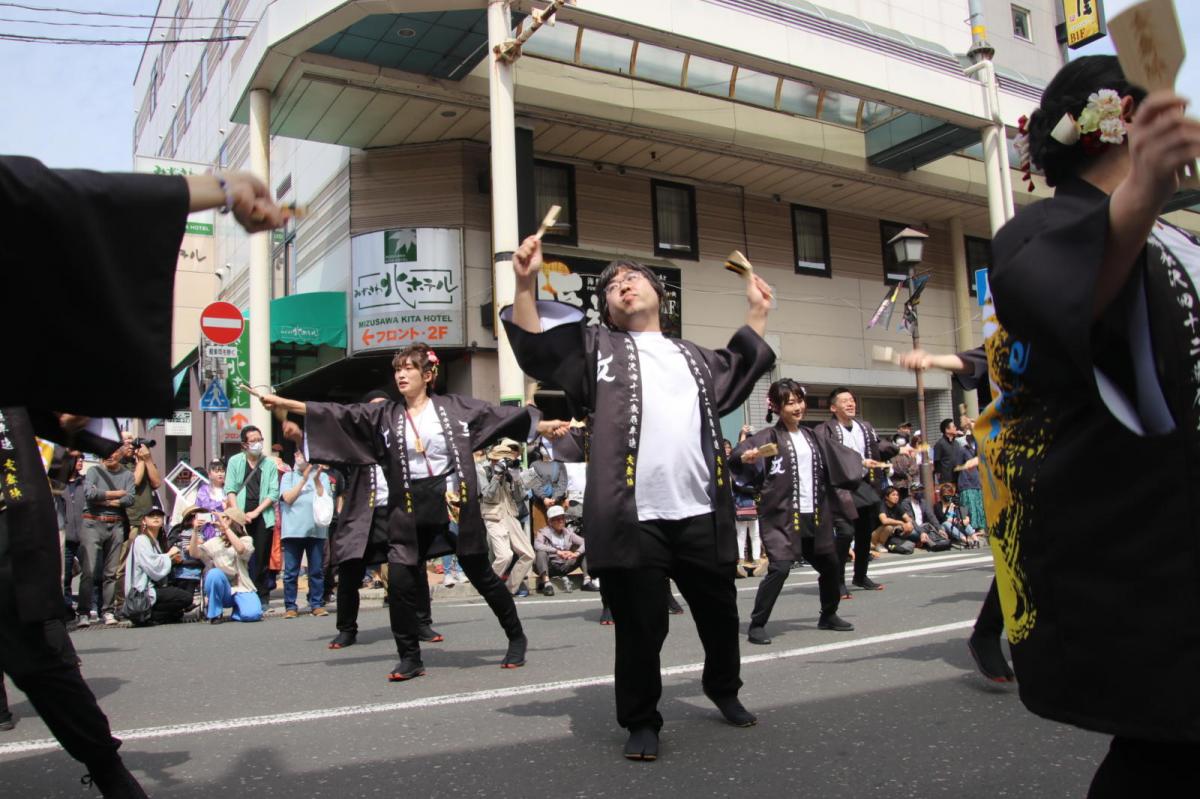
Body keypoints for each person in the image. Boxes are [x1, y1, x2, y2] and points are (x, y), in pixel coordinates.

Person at [0, 157, 289, 797]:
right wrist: (222, 189)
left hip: (8, 523)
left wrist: (79, 425)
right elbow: (70, 198)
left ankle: (109, 771)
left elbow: (63, 197)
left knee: (42, 652)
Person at [965, 55, 1200, 793]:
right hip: (1149, 531)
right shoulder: (1041, 230)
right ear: (1120, 120)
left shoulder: (1177, 235)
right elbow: (1055, 296)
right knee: (1168, 749)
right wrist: (1140, 198)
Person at [503, 236, 775, 762]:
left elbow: (739, 369)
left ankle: (725, 689)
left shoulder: (694, 356)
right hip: (633, 516)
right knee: (639, 626)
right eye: (611, 288)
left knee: (719, 614)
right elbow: (535, 346)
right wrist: (523, 282)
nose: (621, 286)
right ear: (605, 309)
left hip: (699, 509)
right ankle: (641, 719)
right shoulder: (596, 349)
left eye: (632, 278)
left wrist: (757, 311)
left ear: (658, 293)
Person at [255, 344, 565, 681]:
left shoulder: (453, 407)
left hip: (450, 499)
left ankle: (516, 636)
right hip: (406, 503)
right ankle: (409, 656)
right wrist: (285, 403)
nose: (401, 374)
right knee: (401, 580)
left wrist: (543, 425)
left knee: (481, 573)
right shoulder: (386, 414)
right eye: (397, 369)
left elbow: (498, 415)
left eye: (409, 368)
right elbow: (340, 414)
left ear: (428, 375)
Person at [731, 379, 860, 645]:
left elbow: (840, 457)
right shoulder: (768, 436)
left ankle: (828, 614)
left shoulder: (813, 436)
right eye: (790, 403)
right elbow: (736, 457)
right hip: (783, 516)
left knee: (831, 565)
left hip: (814, 514)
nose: (798, 407)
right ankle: (757, 623)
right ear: (777, 407)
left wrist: (864, 462)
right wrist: (745, 458)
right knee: (779, 568)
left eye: (799, 400)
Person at [818, 387, 898, 595]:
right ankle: (836, 581)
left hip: (863, 486)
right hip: (840, 488)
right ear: (833, 407)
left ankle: (860, 576)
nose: (851, 403)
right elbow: (830, 455)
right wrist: (860, 461)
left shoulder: (864, 427)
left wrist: (898, 448)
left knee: (864, 533)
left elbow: (877, 446)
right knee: (845, 533)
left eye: (852, 400)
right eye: (844, 401)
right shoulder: (826, 429)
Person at [79, 442, 135, 626]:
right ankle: (84, 612)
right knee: (89, 569)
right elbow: (89, 494)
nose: (109, 456)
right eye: (105, 453)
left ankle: (108, 611)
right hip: (92, 522)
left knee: (111, 572)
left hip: (116, 525)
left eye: (113, 452)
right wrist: (115, 494)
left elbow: (129, 499)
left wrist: (106, 498)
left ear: (120, 454)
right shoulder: (94, 471)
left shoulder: (127, 475)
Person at [225, 425, 280, 610]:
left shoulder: (270, 463)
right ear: (244, 445)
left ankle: (262, 595)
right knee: (242, 555)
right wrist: (238, 514)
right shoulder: (235, 461)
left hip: (263, 515)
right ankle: (243, 593)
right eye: (253, 440)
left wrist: (256, 512)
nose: (258, 443)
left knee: (262, 556)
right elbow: (230, 489)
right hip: (241, 515)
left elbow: (273, 493)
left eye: (260, 439)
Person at [278, 448, 333, 618]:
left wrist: (315, 479)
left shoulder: (322, 476)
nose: (299, 457)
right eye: (297, 454)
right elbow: (287, 498)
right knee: (291, 572)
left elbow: (325, 498)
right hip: (293, 530)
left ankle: (316, 603)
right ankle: (290, 606)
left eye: (302, 454)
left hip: (316, 530)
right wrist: (303, 479)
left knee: (316, 570)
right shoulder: (288, 476)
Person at [479, 439, 536, 597]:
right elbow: (488, 496)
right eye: (503, 459)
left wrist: (516, 478)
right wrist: (497, 475)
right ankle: (488, 588)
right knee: (505, 556)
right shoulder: (483, 470)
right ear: (494, 459)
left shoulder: (510, 471)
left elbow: (520, 498)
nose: (506, 461)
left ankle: (509, 589)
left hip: (510, 514)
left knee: (529, 554)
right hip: (493, 514)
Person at [124, 508, 194, 625]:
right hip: (142, 592)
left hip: (156, 588)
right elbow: (152, 566)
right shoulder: (141, 540)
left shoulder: (158, 541)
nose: (156, 518)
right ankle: (147, 615)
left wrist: (173, 560)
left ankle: (157, 615)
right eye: (151, 516)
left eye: (159, 516)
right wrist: (169, 555)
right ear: (144, 521)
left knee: (178, 609)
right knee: (186, 598)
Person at [533, 504, 594, 595]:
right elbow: (537, 545)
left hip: (565, 564)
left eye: (562, 518)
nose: (561, 521)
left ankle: (587, 581)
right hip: (550, 565)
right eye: (557, 519)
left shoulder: (568, 532)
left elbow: (585, 542)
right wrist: (557, 551)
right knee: (541, 553)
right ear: (550, 521)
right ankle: (547, 584)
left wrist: (576, 553)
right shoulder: (543, 532)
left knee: (583, 552)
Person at [728, 435, 764, 578]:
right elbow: (739, 487)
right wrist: (755, 489)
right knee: (744, 534)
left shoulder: (754, 469)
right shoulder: (735, 471)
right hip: (741, 504)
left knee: (752, 533)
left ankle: (755, 558)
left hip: (750, 504)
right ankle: (742, 559)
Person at [194, 458, 228, 541]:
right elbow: (205, 506)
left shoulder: (229, 489)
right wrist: (221, 504)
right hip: (208, 528)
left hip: (226, 527)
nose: (220, 474)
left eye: (222, 471)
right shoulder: (203, 489)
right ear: (209, 474)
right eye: (216, 471)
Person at [931, 418, 960, 486]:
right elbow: (936, 461)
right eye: (953, 426)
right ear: (947, 430)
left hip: (958, 477)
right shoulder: (940, 444)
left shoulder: (956, 443)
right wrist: (939, 476)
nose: (956, 428)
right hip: (946, 479)